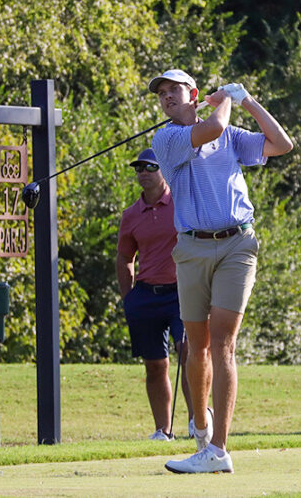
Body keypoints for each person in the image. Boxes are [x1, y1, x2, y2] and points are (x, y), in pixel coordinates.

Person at [148, 69, 294, 474]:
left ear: (191, 93)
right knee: (196, 346)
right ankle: (199, 426)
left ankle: (218, 449)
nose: (166, 98)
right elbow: (212, 127)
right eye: (161, 93)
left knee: (222, 344)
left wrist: (246, 100)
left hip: (237, 245)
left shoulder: (231, 136)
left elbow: (282, 144)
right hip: (192, 247)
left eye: (173, 90)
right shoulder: (167, 139)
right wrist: (224, 100)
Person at [116, 148, 192, 441]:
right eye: (139, 168)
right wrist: (129, 299)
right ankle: (163, 430)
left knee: (188, 352)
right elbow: (124, 258)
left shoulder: (182, 203)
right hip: (146, 296)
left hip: (182, 292)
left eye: (150, 167)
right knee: (155, 364)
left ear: (164, 171)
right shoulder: (131, 215)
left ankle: (197, 423)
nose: (143, 173)